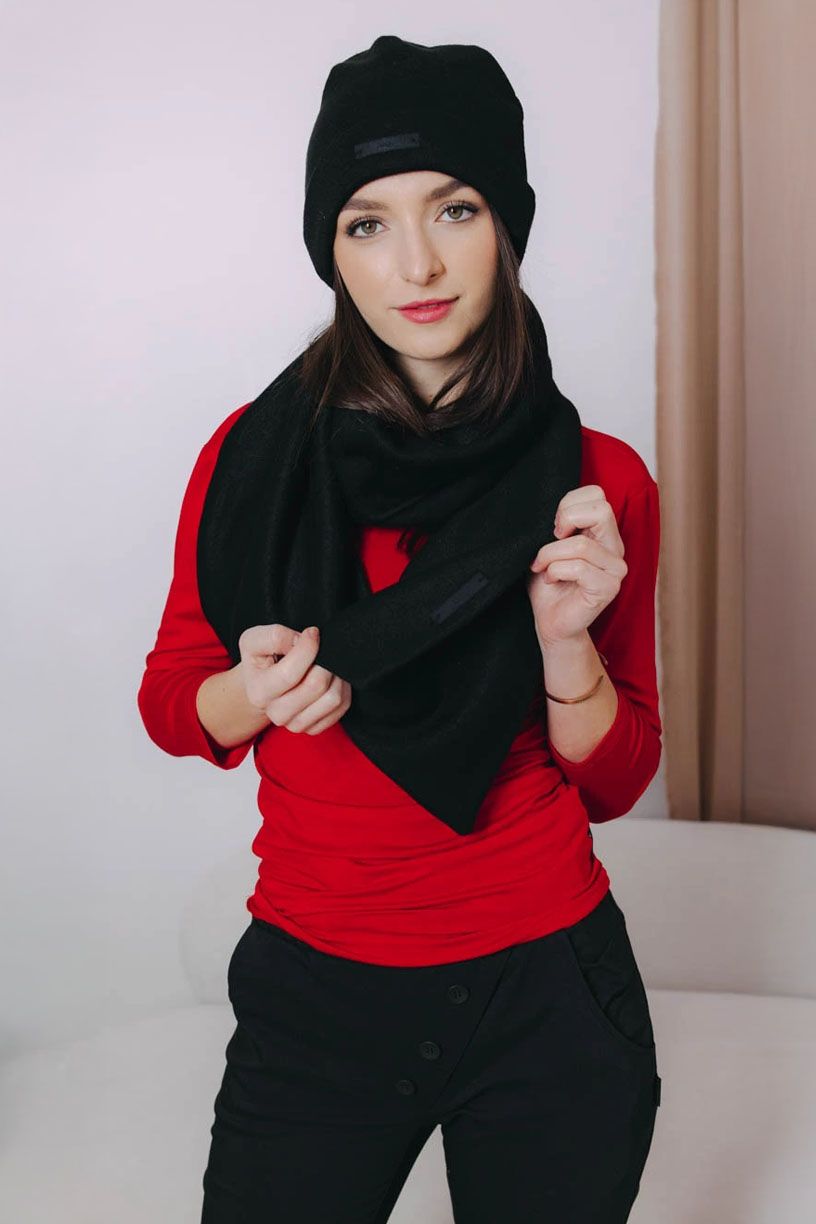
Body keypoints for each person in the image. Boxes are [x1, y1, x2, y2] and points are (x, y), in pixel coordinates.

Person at [137, 34, 663, 1224]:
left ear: (506, 224)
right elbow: (175, 701)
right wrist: (255, 691)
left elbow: (619, 778)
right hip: (316, 989)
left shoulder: (600, 483)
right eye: (366, 222)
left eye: (455, 208)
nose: (415, 262)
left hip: (549, 990)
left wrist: (566, 645)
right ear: (330, 249)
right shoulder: (251, 461)